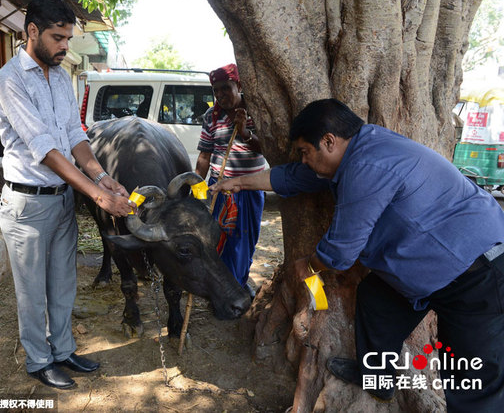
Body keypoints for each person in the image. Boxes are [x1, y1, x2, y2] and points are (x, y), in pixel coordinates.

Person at [210, 98, 504, 411]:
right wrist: (238, 183)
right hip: (435, 266)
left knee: (472, 379)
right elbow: (294, 176)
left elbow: (340, 251)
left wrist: (307, 266)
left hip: (477, 273)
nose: (304, 160)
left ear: (328, 141)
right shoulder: (355, 152)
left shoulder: (367, 166)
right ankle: (378, 379)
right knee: (376, 299)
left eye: (305, 152)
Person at [0, 0, 133, 390]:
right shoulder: (9, 80)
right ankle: (38, 360)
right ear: (31, 31)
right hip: (27, 205)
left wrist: (101, 177)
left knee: (62, 284)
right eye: (57, 38)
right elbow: (45, 148)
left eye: (68, 38)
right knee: (32, 292)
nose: (65, 47)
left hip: (61, 201)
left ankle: (63, 350)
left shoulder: (60, 76)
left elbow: (74, 135)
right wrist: (99, 196)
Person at [195, 64, 267, 297]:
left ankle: (237, 285)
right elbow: (205, 155)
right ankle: (222, 290)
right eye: (216, 91)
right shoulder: (211, 116)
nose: (221, 95)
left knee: (244, 241)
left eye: (226, 88)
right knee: (219, 240)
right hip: (220, 188)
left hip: (251, 187)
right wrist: (197, 191)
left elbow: (267, 148)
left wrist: (245, 132)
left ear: (240, 85)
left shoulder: (255, 111)